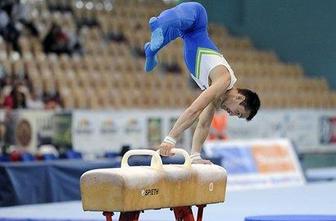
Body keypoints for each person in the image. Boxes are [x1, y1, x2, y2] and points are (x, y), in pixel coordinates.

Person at [144, 2, 260, 164]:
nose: (232, 115)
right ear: (240, 99)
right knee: (174, 21)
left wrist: (195, 156)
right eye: (238, 113)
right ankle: (158, 25)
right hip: (197, 19)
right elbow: (195, 109)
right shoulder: (223, 81)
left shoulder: (217, 97)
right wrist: (171, 138)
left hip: (186, 34)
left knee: (166, 35)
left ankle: (151, 51)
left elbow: (204, 124)